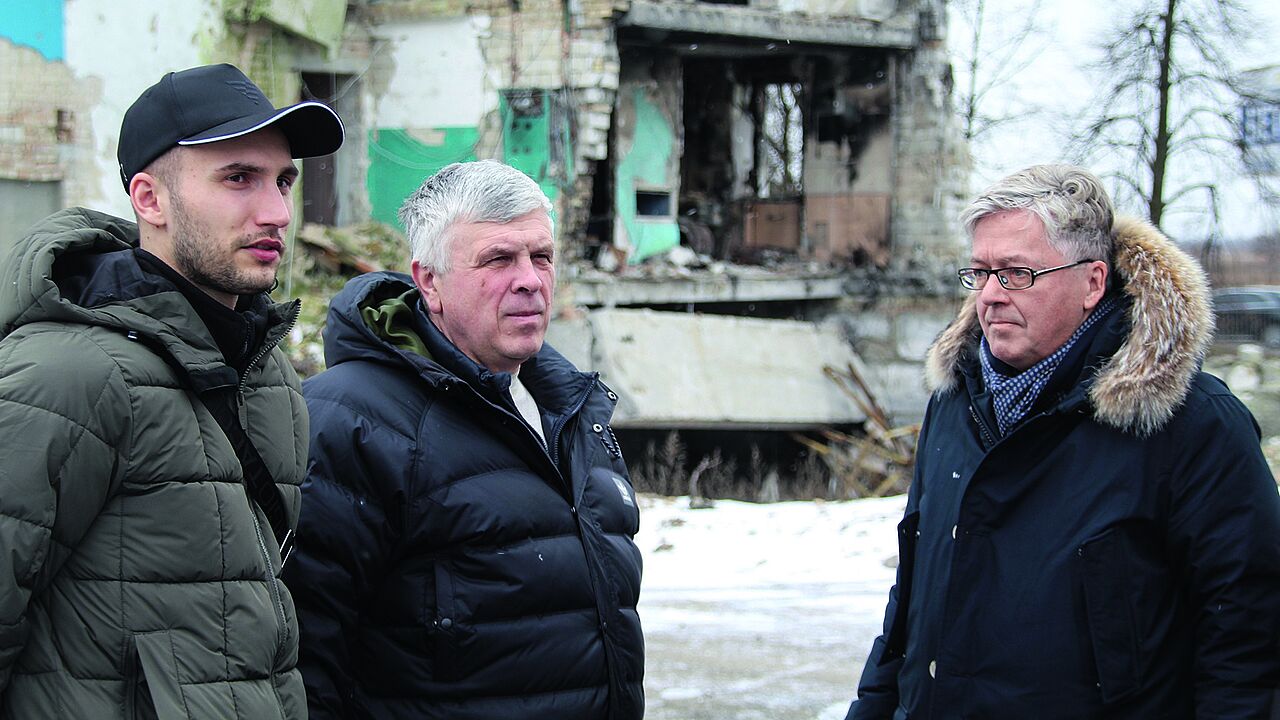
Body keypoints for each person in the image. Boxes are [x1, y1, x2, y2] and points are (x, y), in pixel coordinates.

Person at [847, 165, 1280, 719]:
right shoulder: (953, 404)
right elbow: (909, 607)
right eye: (979, 273)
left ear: (1092, 283)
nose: (991, 296)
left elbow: (1246, 639)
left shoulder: (1191, 423)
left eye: (1017, 273)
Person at [0, 63, 344, 717]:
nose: (276, 211)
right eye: (238, 178)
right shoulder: (66, 374)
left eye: (284, 181)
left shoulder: (268, 376)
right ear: (150, 200)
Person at [283, 160, 645, 719]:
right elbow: (304, 657)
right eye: (498, 259)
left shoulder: (573, 410)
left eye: (541, 257)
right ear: (429, 281)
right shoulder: (349, 419)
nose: (530, 279)